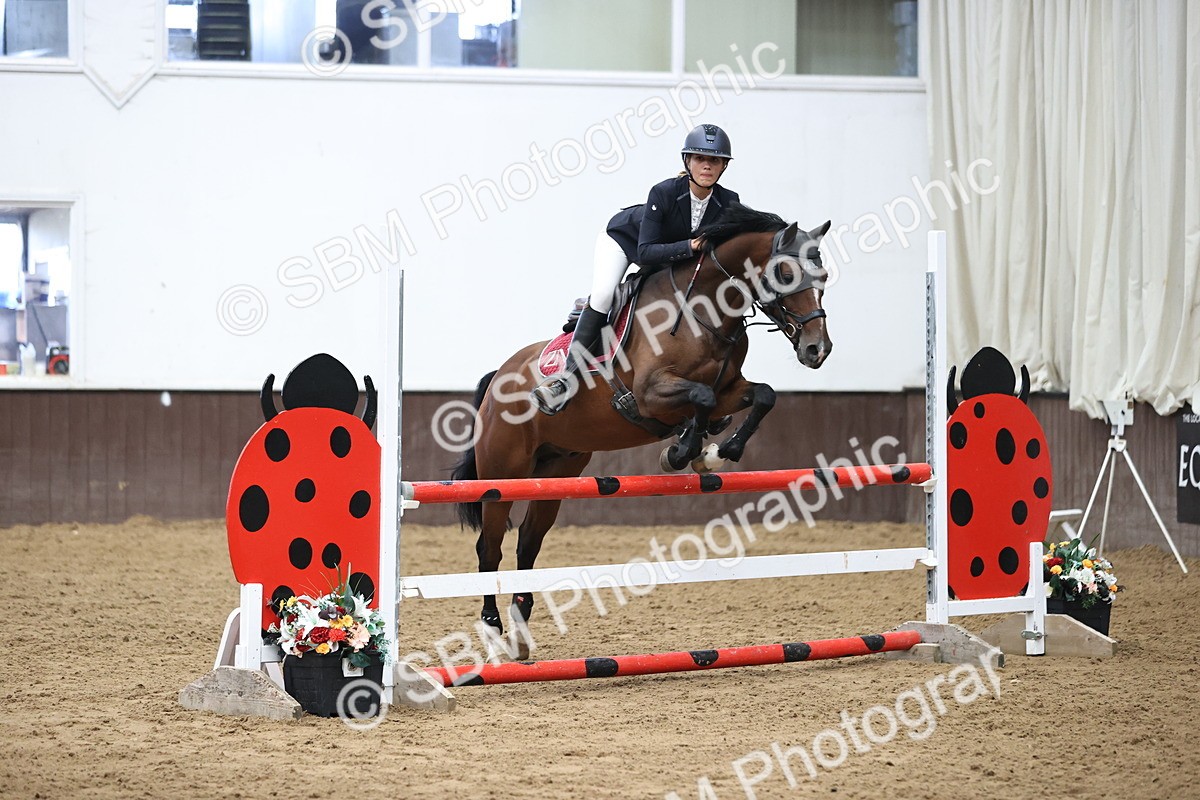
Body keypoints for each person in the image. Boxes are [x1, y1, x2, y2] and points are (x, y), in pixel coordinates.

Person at [531, 123, 740, 415]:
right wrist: (690, 247)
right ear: (687, 162)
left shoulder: (728, 201)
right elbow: (645, 251)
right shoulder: (664, 192)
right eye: (699, 158)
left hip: (668, 258)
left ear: (723, 166)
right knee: (604, 295)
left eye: (714, 160)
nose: (707, 165)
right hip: (625, 241)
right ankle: (565, 379)